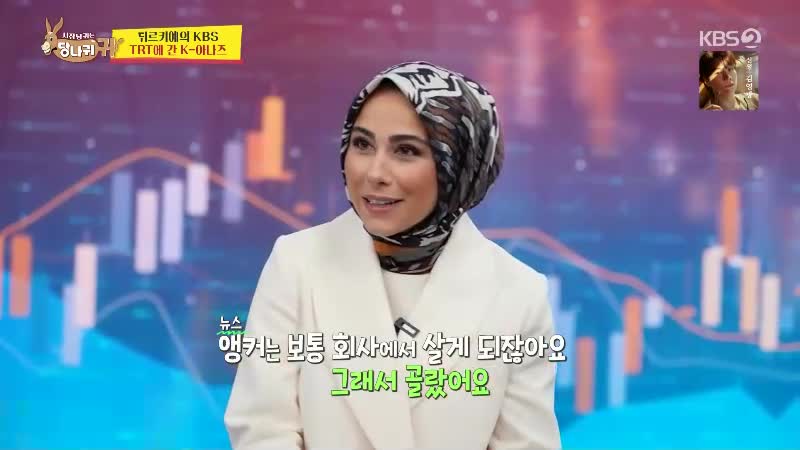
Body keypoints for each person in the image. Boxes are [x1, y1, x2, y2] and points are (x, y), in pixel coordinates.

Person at [224, 61, 561, 449]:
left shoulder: (519, 292)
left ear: (458, 165)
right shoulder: (296, 263)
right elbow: (262, 429)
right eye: (363, 144)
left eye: (405, 150)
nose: (374, 173)